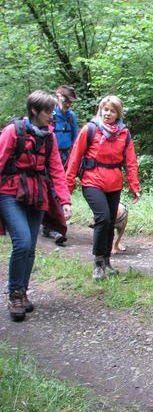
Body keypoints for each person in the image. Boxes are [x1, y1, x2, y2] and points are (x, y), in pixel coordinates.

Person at [0, 91, 72, 321]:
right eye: (48, 112)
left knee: (30, 246)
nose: (51, 116)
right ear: (34, 111)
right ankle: (14, 295)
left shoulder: (48, 136)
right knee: (21, 242)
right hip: (11, 194)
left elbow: (56, 170)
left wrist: (65, 200)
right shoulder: (13, 132)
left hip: (37, 194)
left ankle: (23, 290)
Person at [66, 95, 141, 280]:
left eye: (112, 110)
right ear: (100, 110)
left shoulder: (124, 133)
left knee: (110, 222)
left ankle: (107, 261)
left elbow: (130, 162)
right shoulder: (90, 130)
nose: (107, 113)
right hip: (92, 180)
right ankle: (98, 263)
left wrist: (134, 186)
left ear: (118, 113)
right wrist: (67, 187)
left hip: (114, 182)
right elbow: (75, 158)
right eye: (105, 109)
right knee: (102, 218)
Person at [42, 85, 78, 245]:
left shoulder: (71, 117)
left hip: (65, 157)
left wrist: (74, 160)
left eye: (71, 101)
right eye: (67, 100)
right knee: (48, 189)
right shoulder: (50, 115)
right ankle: (49, 224)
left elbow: (76, 140)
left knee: (58, 190)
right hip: (47, 158)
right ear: (58, 96)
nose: (69, 104)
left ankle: (54, 226)